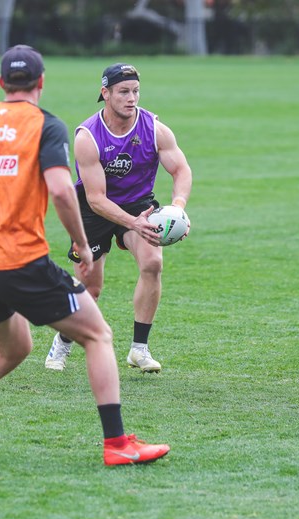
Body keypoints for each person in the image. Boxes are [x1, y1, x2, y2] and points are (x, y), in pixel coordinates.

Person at [0, 45, 170, 466]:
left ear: (0, 83)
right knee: (98, 334)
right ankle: (118, 444)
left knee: (14, 349)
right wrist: (83, 245)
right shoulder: (46, 125)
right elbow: (64, 191)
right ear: (41, 82)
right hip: (21, 260)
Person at [45, 62, 193, 373]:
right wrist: (132, 223)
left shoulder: (155, 129)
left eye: (136, 91)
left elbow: (181, 170)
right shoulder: (89, 136)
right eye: (123, 92)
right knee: (90, 288)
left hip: (140, 204)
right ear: (105, 93)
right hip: (94, 210)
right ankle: (64, 340)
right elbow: (96, 199)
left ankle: (139, 349)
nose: (131, 98)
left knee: (153, 263)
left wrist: (178, 207)